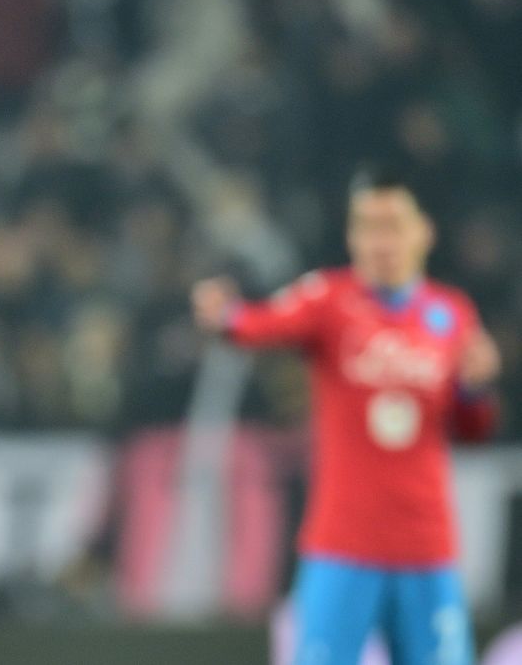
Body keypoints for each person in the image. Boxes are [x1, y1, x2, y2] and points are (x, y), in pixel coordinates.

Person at [192, 167, 501, 665]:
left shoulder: (452, 313)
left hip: (426, 546)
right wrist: (224, 317)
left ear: (424, 231)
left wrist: (475, 387)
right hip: (343, 544)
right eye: (368, 227)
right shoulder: (330, 299)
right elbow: (260, 324)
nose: (381, 241)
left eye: (393, 225)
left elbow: (473, 428)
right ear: (352, 237)